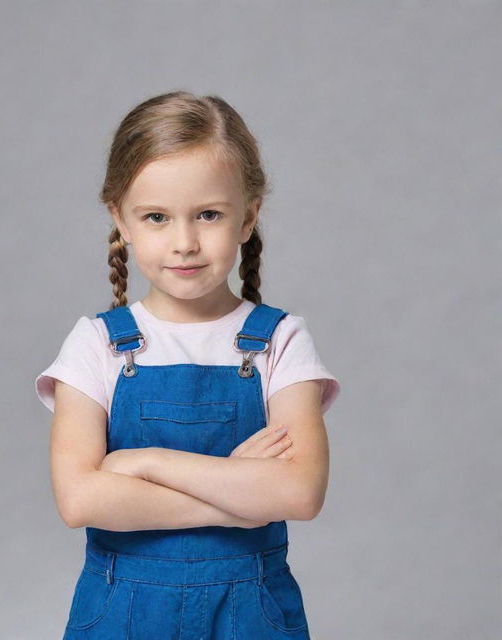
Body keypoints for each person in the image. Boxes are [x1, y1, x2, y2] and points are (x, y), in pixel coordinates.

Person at [35, 90, 341, 639]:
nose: (184, 242)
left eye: (208, 214)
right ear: (120, 220)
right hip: (121, 612)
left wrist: (145, 462)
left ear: (247, 217)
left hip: (250, 613)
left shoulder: (280, 340)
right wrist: (237, 499)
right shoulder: (95, 345)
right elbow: (80, 499)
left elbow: (298, 493)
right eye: (156, 217)